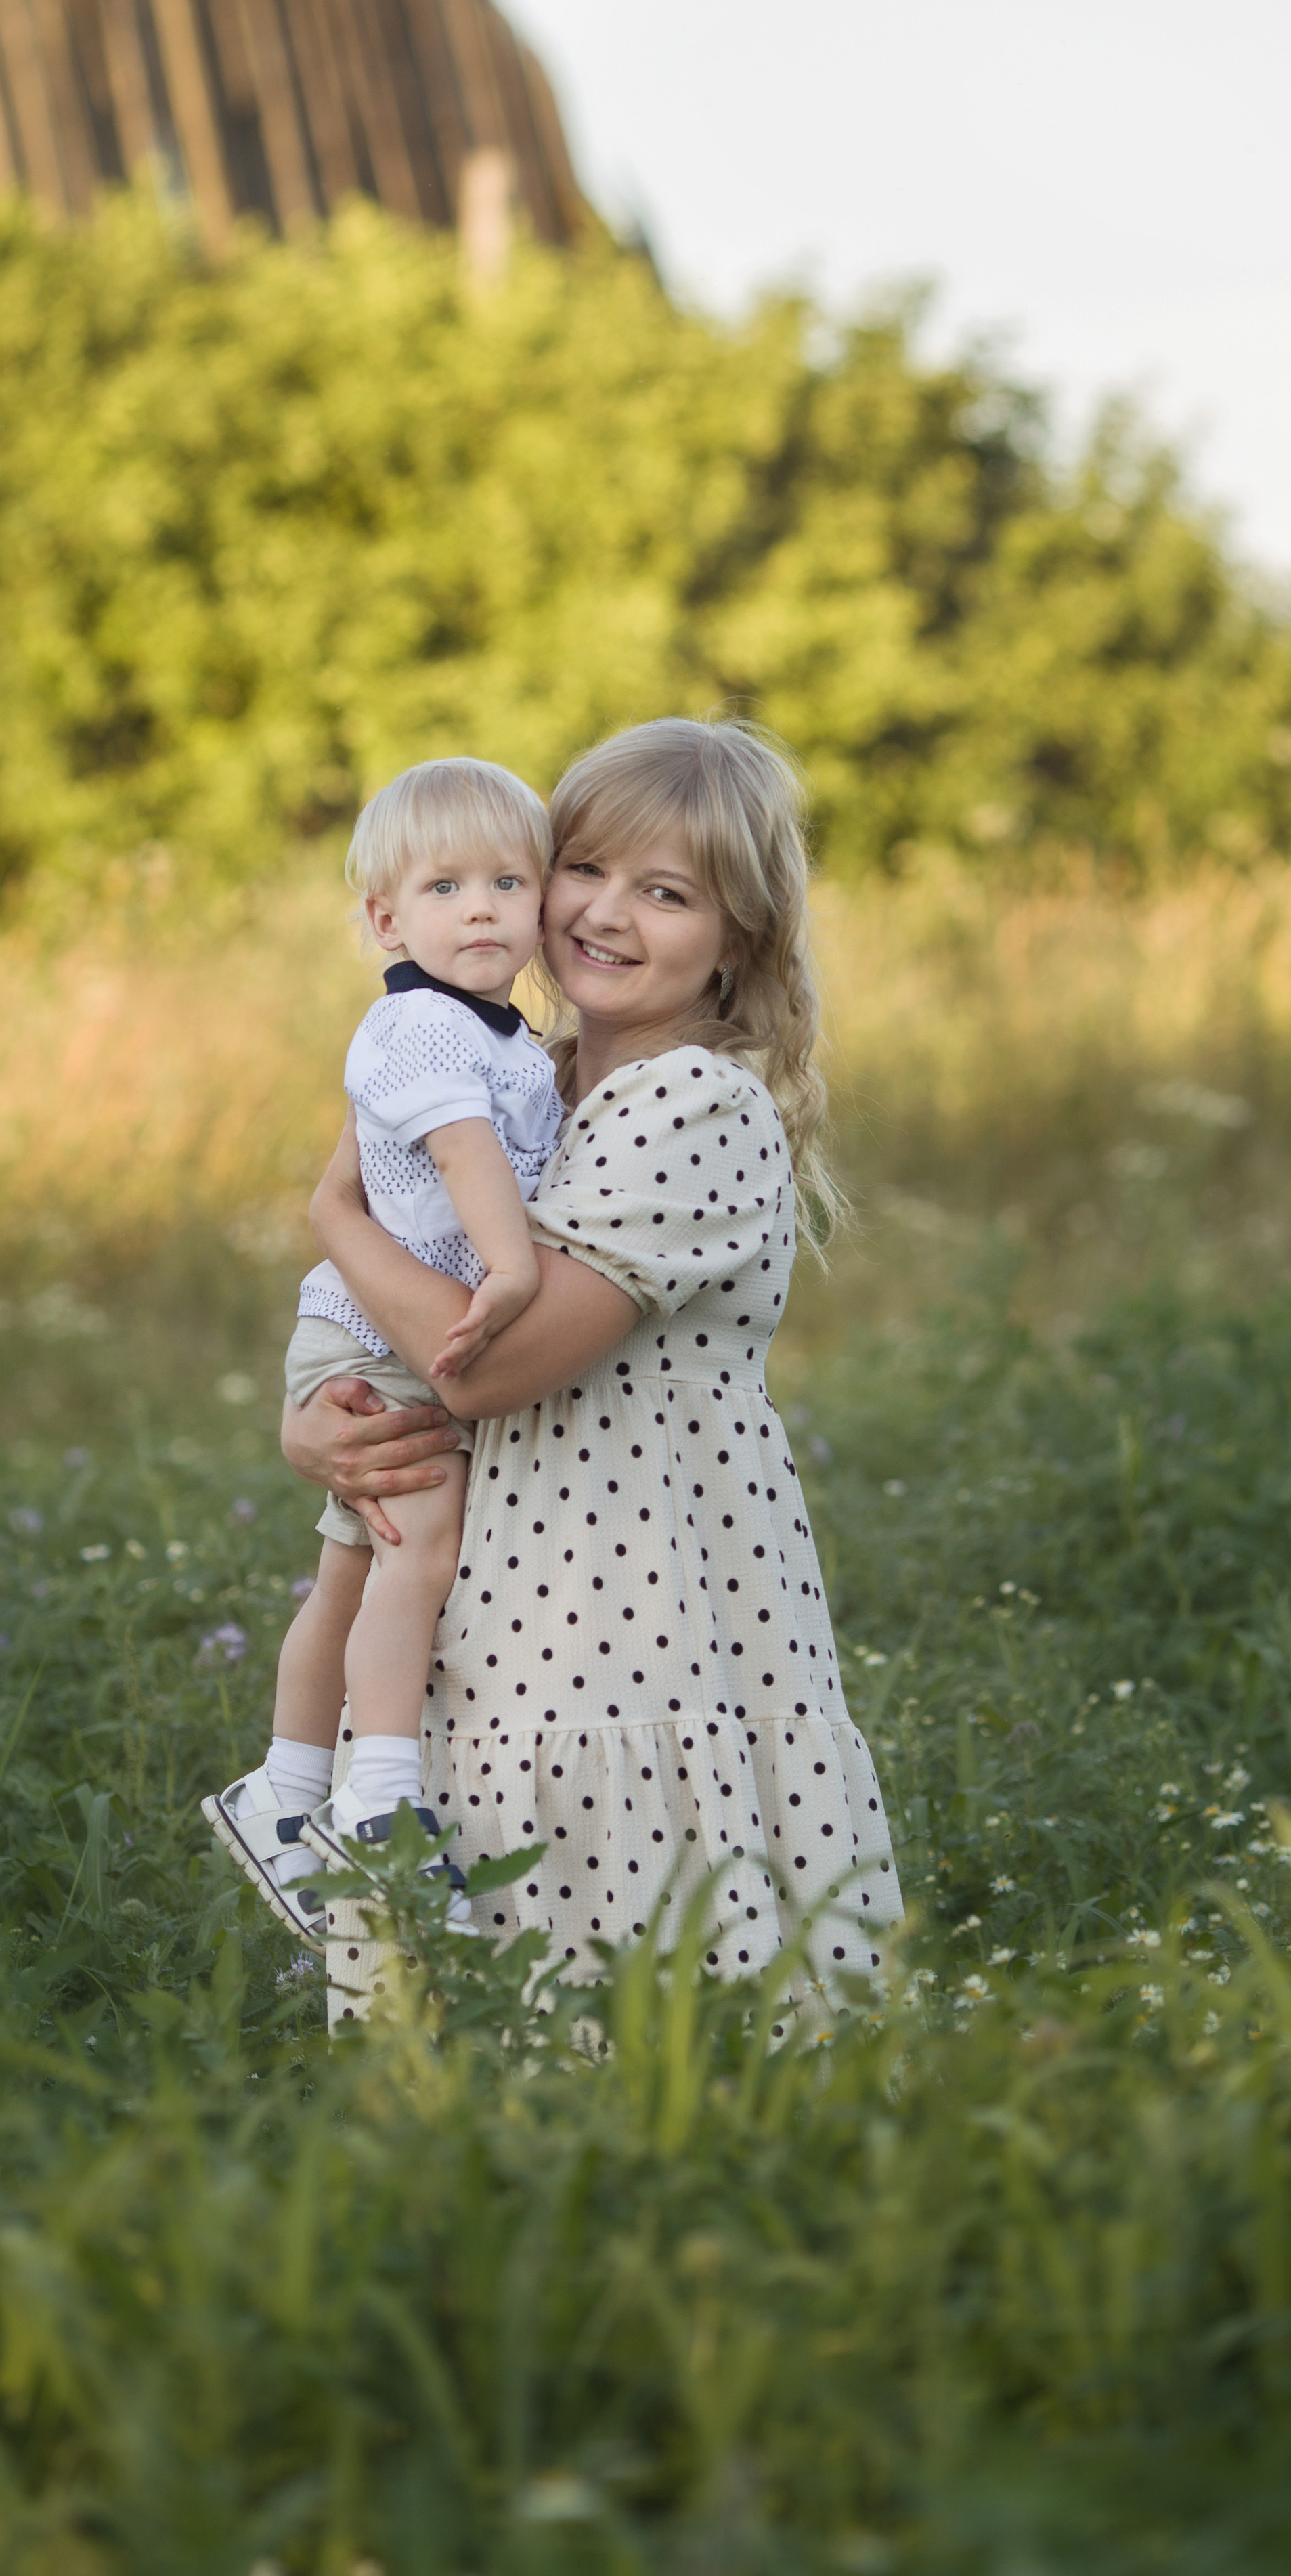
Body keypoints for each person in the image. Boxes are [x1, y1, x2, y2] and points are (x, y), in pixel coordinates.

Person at [283, 717, 904, 2022]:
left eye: (667, 894)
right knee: (480, 2003)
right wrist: (323, 1435)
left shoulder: (693, 1102)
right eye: (585, 870)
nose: (608, 915)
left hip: (636, 1620)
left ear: (740, 938)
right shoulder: (524, 1081)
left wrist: (332, 1216)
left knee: (634, 1991)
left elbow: (475, 1371)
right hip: (494, 1623)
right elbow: (391, 1334)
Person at [202, 758, 564, 1944]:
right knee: (422, 1539)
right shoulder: (417, 1024)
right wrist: (512, 1269)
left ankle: (284, 1791)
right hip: (382, 1331)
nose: (480, 909)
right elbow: (464, 1155)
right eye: (445, 885)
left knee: (352, 1568)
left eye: (509, 882)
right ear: (383, 918)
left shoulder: (502, 1032)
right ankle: (381, 1803)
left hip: (384, 1322)